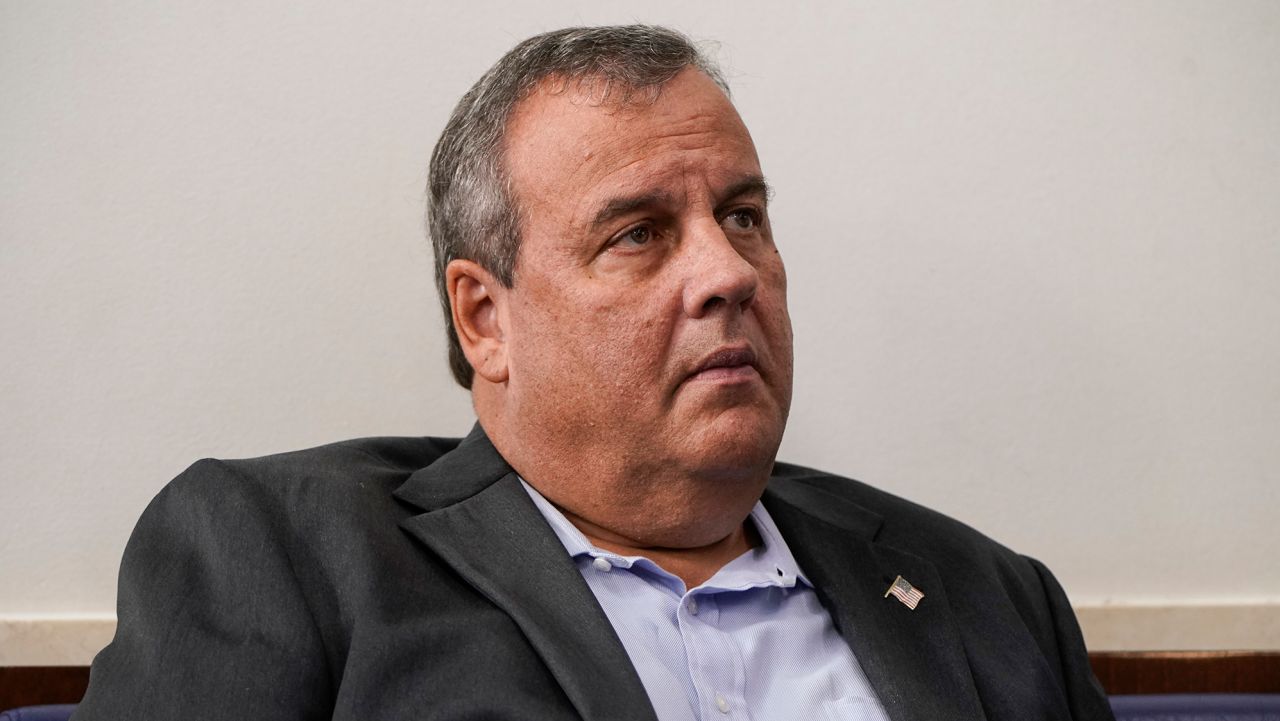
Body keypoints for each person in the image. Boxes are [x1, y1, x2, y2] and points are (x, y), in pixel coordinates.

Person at [75, 25, 1114, 721]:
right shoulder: (288, 554)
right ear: (486, 319)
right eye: (637, 234)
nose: (726, 273)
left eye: (742, 216)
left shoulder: (989, 595)